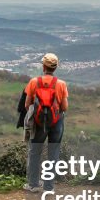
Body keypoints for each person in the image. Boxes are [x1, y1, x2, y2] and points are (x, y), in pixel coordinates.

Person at [23, 53, 68, 192]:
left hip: (38, 122)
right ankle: (49, 187)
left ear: (43, 66)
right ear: (55, 68)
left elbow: (27, 104)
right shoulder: (61, 84)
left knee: (34, 152)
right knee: (53, 153)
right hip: (56, 121)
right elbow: (64, 107)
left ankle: (33, 185)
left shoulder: (33, 82)